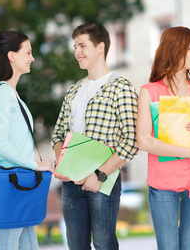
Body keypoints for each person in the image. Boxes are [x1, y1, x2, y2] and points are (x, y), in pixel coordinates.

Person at [51, 23, 138, 250]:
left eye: (82, 45)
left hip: (103, 181)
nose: (76, 52)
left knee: (104, 243)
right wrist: (63, 164)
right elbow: (58, 134)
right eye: (75, 46)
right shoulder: (73, 90)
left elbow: (131, 140)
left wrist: (98, 175)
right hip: (71, 182)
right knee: (76, 245)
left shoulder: (121, 88)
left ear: (100, 47)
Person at [136, 26, 190, 250]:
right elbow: (144, 141)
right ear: (175, 50)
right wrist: (188, 153)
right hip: (163, 184)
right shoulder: (149, 92)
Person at [0, 31, 53, 250]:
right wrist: (35, 164)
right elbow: (0, 143)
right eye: (28, 52)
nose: (32, 58)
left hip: (18, 184)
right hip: (13, 184)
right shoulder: (3, 92)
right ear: (11, 56)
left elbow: (13, 141)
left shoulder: (11, 92)